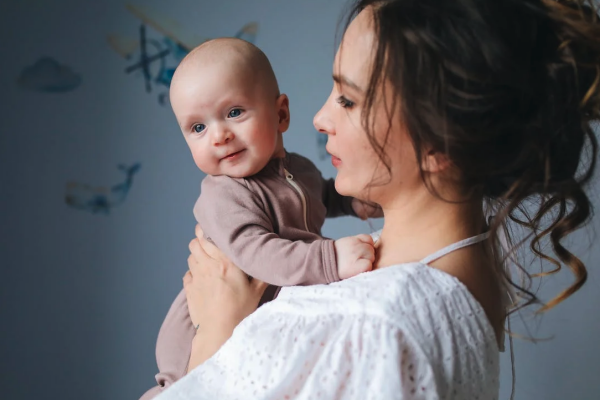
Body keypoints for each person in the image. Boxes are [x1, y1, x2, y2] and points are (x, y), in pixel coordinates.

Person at [149, 0, 600, 398]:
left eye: (347, 99)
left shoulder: (379, 325)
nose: (320, 118)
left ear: (438, 140)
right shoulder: (456, 270)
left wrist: (214, 339)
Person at [138, 38, 382, 400]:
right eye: (197, 128)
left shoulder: (298, 169)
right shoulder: (224, 194)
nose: (219, 136)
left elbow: (321, 197)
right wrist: (330, 259)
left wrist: (358, 202)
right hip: (198, 330)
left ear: (281, 114)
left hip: (260, 317)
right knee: (184, 389)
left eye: (234, 112)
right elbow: (257, 254)